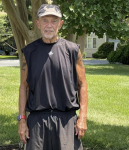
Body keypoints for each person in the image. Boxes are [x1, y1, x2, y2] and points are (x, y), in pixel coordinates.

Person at [17, 4, 88, 150]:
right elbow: (24, 86)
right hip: (37, 121)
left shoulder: (73, 50)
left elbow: (82, 85)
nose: (49, 25)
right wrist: (22, 120)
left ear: (60, 24)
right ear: (38, 23)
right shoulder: (29, 52)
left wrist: (82, 117)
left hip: (67, 120)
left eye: (54, 21)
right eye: (45, 20)